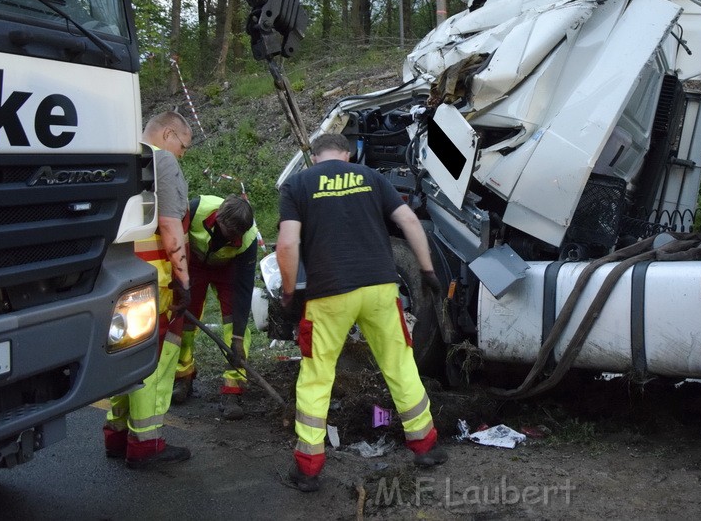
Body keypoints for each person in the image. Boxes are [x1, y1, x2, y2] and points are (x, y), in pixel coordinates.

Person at [276, 133, 448, 493]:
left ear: (315, 154)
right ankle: (425, 447)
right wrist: (427, 270)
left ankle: (308, 468)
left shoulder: (297, 184)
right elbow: (410, 222)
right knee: (399, 363)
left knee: (317, 374)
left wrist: (289, 292)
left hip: (328, 293)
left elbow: (288, 243)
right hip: (380, 288)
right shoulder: (371, 177)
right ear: (348, 154)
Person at [104, 111, 194, 468]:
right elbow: (171, 224)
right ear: (168, 134)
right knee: (155, 361)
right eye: (184, 146)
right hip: (154, 282)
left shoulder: (116, 155)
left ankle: (116, 434)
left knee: (121, 357)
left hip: (115, 279)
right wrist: (184, 280)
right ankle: (146, 443)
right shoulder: (163, 161)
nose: (183, 154)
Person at [172, 194, 259, 420]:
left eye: (235, 237)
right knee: (185, 322)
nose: (231, 239)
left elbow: (243, 290)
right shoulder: (195, 208)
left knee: (234, 325)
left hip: (229, 269)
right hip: (194, 263)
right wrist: (180, 283)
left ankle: (233, 388)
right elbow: (174, 241)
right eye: (228, 234)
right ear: (218, 218)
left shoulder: (248, 240)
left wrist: (238, 338)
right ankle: (183, 376)